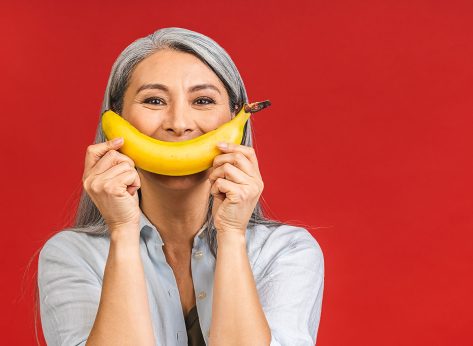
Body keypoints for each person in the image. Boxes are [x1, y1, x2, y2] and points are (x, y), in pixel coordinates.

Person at [36, 27, 324, 346]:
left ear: (234, 119)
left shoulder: (285, 252)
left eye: (202, 100)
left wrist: (231, 235)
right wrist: (122, 232)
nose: (179, 122)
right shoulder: (72, 255)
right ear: (118, 120)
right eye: (154, 100)